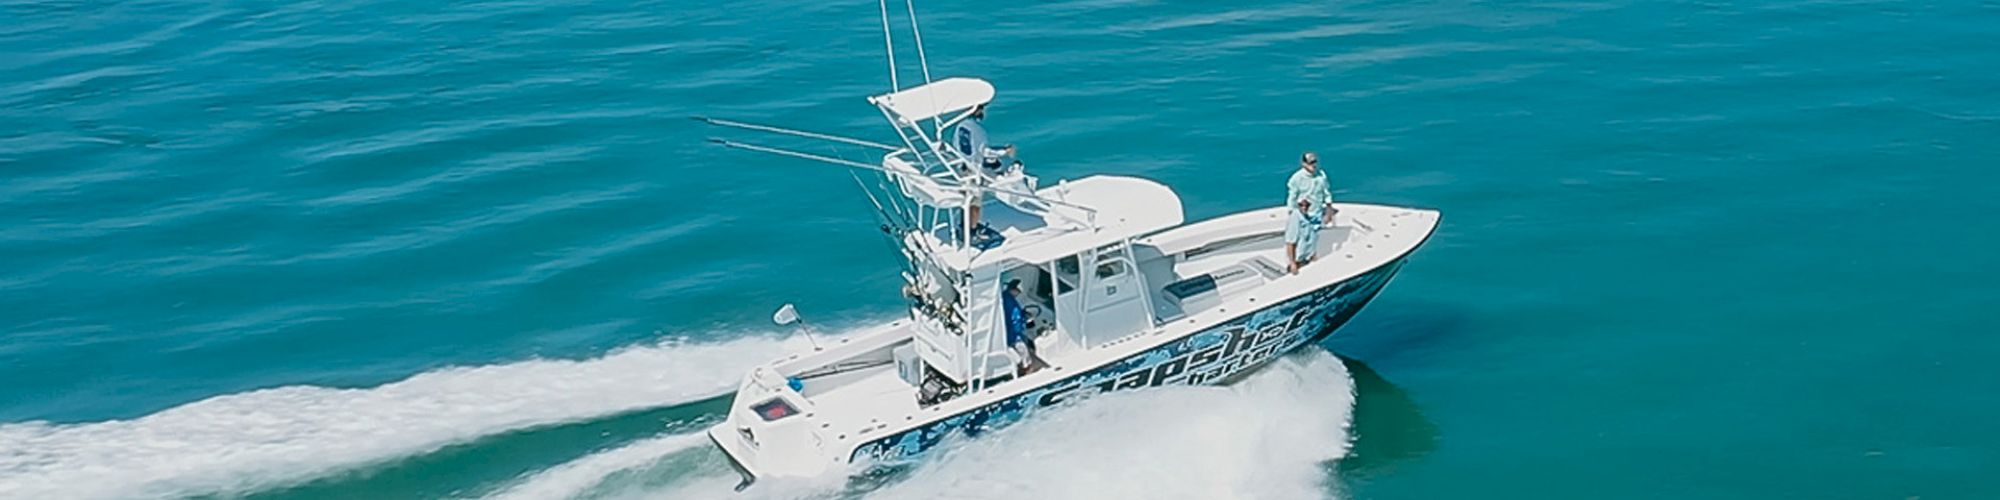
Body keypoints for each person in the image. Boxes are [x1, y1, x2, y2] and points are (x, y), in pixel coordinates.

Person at [952, 104, 1018, 236]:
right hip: (973, 171)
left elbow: (955, 145)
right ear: (977, 111)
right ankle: (973, 231)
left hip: (962, 168)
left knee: (966, 201)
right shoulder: (978, 130)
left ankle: (964, 226)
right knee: (975, 204)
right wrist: (1005, 151)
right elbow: (986, 152)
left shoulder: (960, 126)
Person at [1284, 151, 1334, 274]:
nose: (1313, 165)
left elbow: (1326, 194)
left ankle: (1311, 256)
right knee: (1296, 239)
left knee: (1313, 236)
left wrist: (1328, 211)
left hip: (1316, 211)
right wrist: (1292, 212)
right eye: (1310, 162)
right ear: (1303, 163)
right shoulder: (1296, 178)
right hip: (1301, 213)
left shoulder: (1321, 177)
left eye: (1314, 162)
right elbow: (1292, 196)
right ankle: (1293, 262)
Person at [1001, 279, 1048, 375]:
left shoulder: (1005, 297)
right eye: (1018, 292)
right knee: (1023, 350)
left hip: (1008, 331)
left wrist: (1023, 314)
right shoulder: (1011, 302)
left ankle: (1024, 367)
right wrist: (1023, 325)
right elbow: (1015, 319)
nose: (1018, 294)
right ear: (1014, 289)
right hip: (1013, 334)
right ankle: (1027, 369)